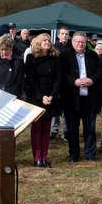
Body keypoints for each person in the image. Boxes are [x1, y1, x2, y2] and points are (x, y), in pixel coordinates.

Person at [58, 31, 101, 162]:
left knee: (90, 128)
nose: (80, 44)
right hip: (71, 98)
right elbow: (61, 73)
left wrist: (92, 80)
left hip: (89, 97)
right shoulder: (64, 55)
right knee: (72, 129)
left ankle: (90, 154)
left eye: (83, 42)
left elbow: (100, 72)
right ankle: (74, 155)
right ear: (72, 42)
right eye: (78, 42)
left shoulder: (93, 55)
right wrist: (73, 81)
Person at [25, 33, 61, 167]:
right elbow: (30, 79)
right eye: (44, 40)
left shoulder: (55, 58)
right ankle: (37, 158)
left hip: (51, 97)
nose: (47, 42)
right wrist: (41, 97)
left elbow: (58, 78)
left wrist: (52, 95)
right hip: (36, 97)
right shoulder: (31, 57)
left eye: (48, 40)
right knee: (37, 128)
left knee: (46, 129)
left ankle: (44, 157)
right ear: (38, 43)